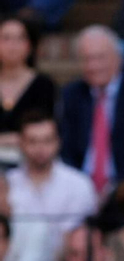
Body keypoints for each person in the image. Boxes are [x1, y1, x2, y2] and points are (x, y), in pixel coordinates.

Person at [58, 26, 124, 197]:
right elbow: (66, 148)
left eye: (100, 58)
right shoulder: (72, 94)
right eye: (87, 59)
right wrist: (80, 186)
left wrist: (114, 188)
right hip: (80, 187)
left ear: (118, 58)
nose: (93, 66)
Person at [5, 112, 96, 261]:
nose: (40, 148)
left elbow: (76, 240)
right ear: (20, 143)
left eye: (47, 140)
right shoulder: (6, 185)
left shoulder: (79, 185)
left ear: (58, 141)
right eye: (33, 141)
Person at [0, 14, 56, 168]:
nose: (13, 45)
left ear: (30, 45)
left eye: (20, 38)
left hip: (32, 164)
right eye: (6, 38)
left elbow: (45, 129)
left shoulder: (44, 85)